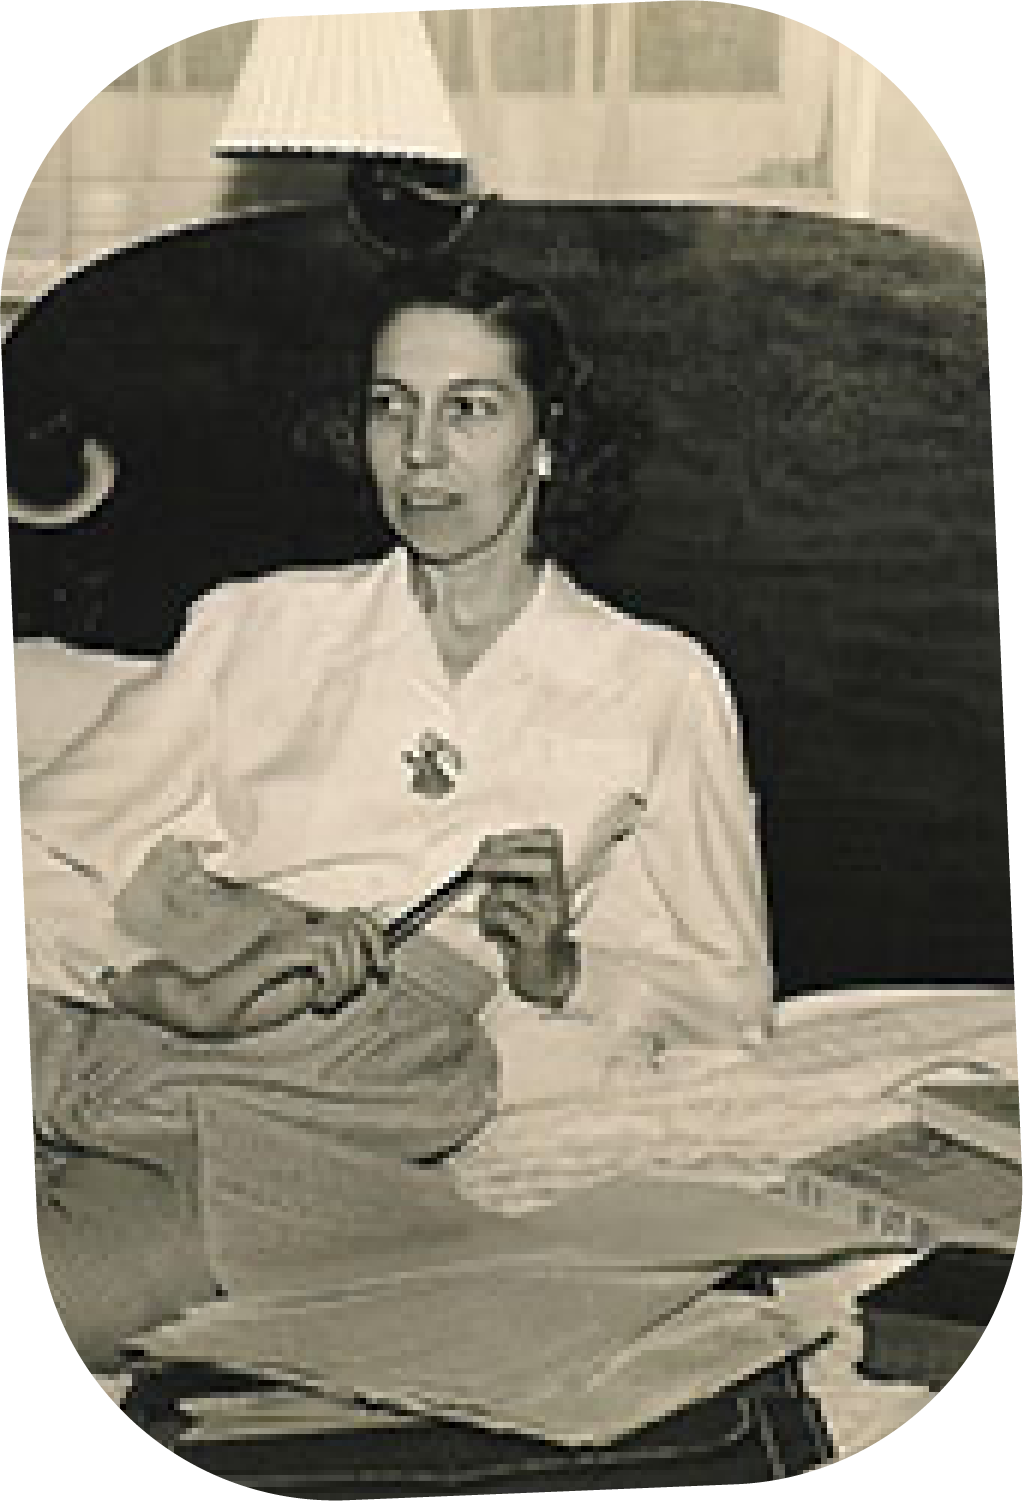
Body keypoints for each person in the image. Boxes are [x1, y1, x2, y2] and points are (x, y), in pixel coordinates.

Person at [21, 256, 774, 1489]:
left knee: (44, 1313)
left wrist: (557, 966)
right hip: (125, 998)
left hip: (315, 1093)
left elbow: (724, 993)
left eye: (470, 408)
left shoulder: (658, 685)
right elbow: (39, 839)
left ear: (548, 441)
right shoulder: (256, 624)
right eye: (390, 405)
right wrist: (164, 988)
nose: (419, 452)